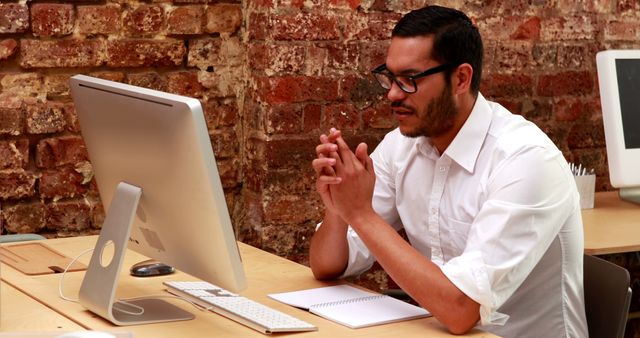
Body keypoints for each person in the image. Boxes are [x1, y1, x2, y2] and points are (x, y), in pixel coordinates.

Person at [309, 5, 588, 338]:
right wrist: (339, 203)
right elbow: (327, 266)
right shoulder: (402, 146)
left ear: (460, 79)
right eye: (390, 77)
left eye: (410, 80)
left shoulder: (526, 160)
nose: (394, 94)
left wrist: (361, 213)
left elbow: (460, 309)